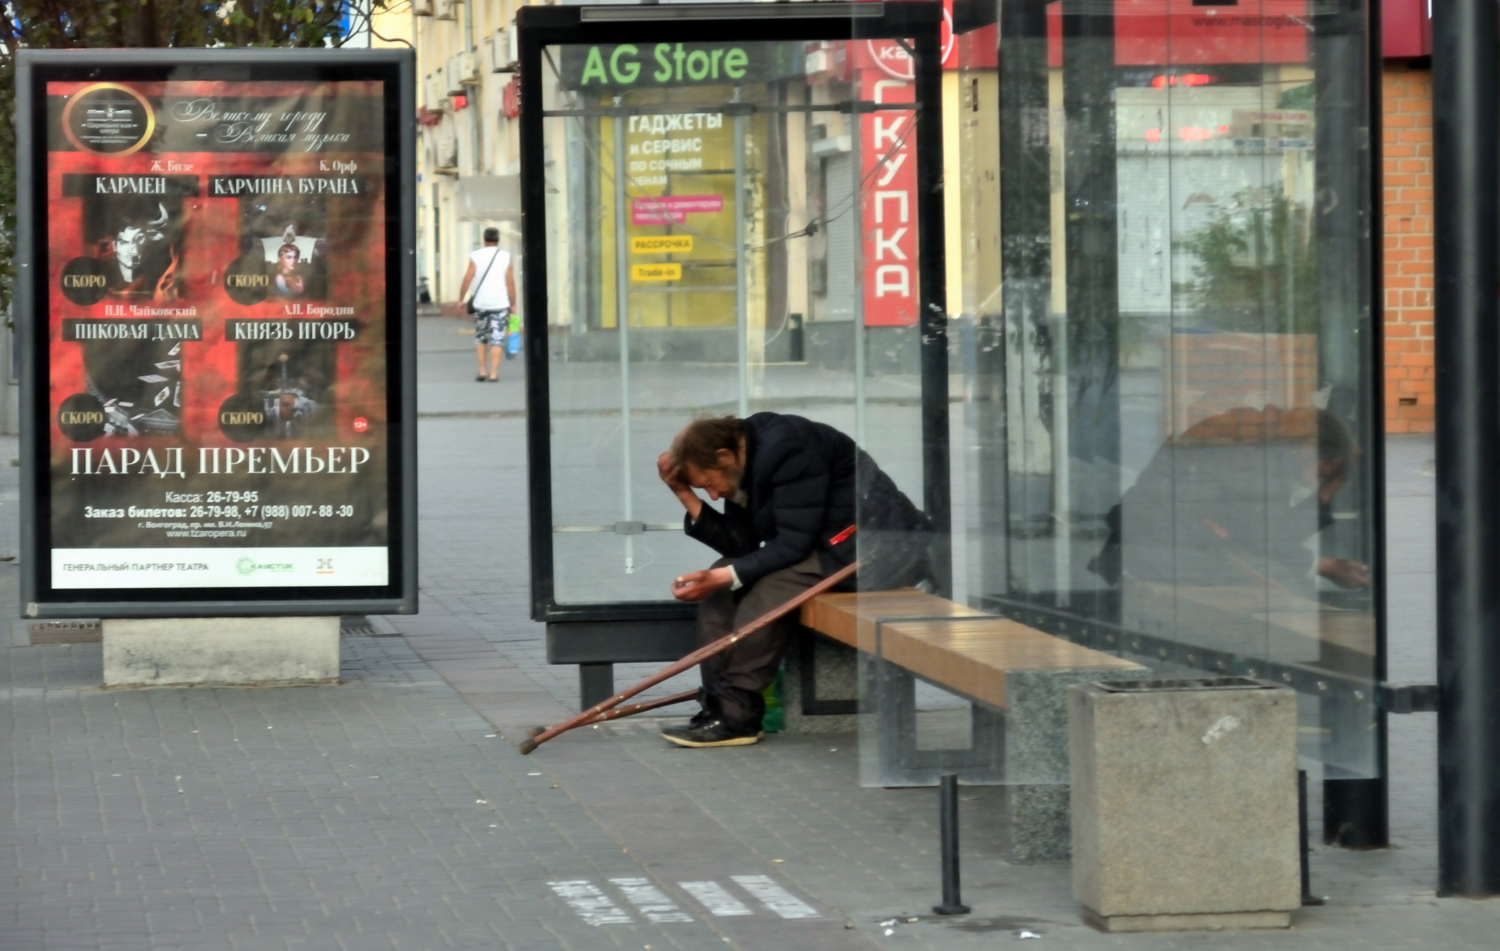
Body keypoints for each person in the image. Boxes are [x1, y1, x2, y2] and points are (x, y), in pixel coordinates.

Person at [656, 413, 933, 748]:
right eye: (705, 490)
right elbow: (740, 545)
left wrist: (726, 576)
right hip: (823, 546)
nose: (713, 495)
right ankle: (718, 706)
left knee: (771, 589)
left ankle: (738, 714)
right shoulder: (741, 460)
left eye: (709, 484)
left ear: (725, 456)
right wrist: (684, 494)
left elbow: (793, 544)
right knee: (722, 586)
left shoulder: (788, 448)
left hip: (874, 549)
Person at [458, 227, 516, 382]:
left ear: (484, 239)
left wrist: (460, 299)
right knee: (497, 338)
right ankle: (494, 373)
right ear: (498, 240)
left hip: (481, 304)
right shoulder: (505, 257)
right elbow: (510, 283)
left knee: (481, 336)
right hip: (500, 304)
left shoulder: (475, 256)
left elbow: (467, 278)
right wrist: (513, 303)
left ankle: (482, 371)